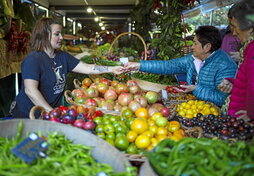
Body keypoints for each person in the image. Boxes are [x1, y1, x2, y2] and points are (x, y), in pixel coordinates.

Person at [11, 17, 124, 119]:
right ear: (45, 35)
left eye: (61, 34)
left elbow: (88, 68)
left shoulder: (62, 56)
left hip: (51, 115)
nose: (61, 37)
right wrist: (51, 112)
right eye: (57, 34)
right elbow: (31, 91)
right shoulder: (33, 59)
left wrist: (112, 69)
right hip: (28, 115)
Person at [125, 25, 237, 107]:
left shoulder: (225, 65)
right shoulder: (193, 58)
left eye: (195, 43)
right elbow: (168, 66)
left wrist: (195, 89)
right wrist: (139, 65)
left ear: (207, 47)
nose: (192, 47)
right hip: (191, 107)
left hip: (211, 114)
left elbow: (222, 99)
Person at [218, 0, 254, 121]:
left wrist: (251, 114)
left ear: (249, 26)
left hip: (242, 120)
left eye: (234, 26)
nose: (233, 32)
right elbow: (248, 80)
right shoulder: (248, 47)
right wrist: (232, 83)